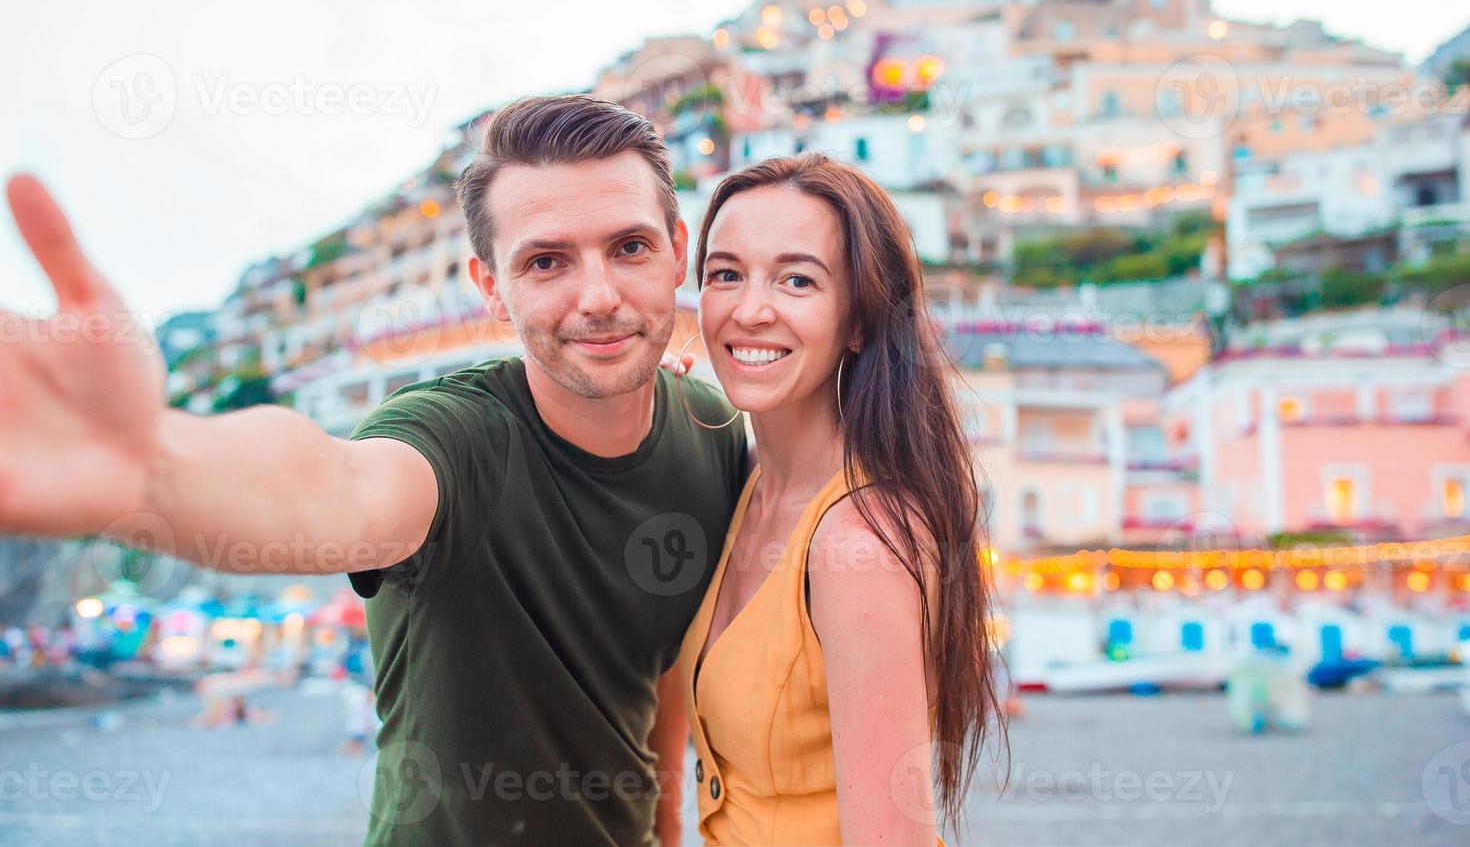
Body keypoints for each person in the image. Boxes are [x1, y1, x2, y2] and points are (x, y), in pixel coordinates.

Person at [0, 94, 748, 845]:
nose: (599, 297)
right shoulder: (453, 438)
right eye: (546, 261)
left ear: (677, 251)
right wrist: (152, 467)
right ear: (490, 285)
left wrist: (664, 832)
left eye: (629, 247)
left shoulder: (713, 437)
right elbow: (337, 489)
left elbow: (664, 673)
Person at [676, 153, 1010, 844]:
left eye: (797, 279)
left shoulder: (857, 539)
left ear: (858, 321)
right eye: (725, 274)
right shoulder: (748, 488)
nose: (750, 309)